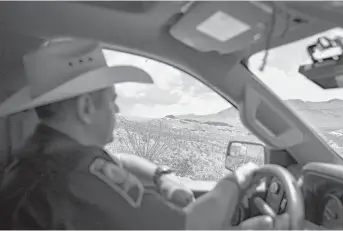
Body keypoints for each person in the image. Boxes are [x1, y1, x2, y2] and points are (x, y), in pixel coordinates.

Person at [0, 38, 273, 229]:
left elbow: (121, 162)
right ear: (86, 108)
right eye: (111, 99)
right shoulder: (76, 178)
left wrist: (162, 177)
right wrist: (237, 180)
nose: (116, 108)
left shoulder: (40, 158)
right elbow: (191, 226)